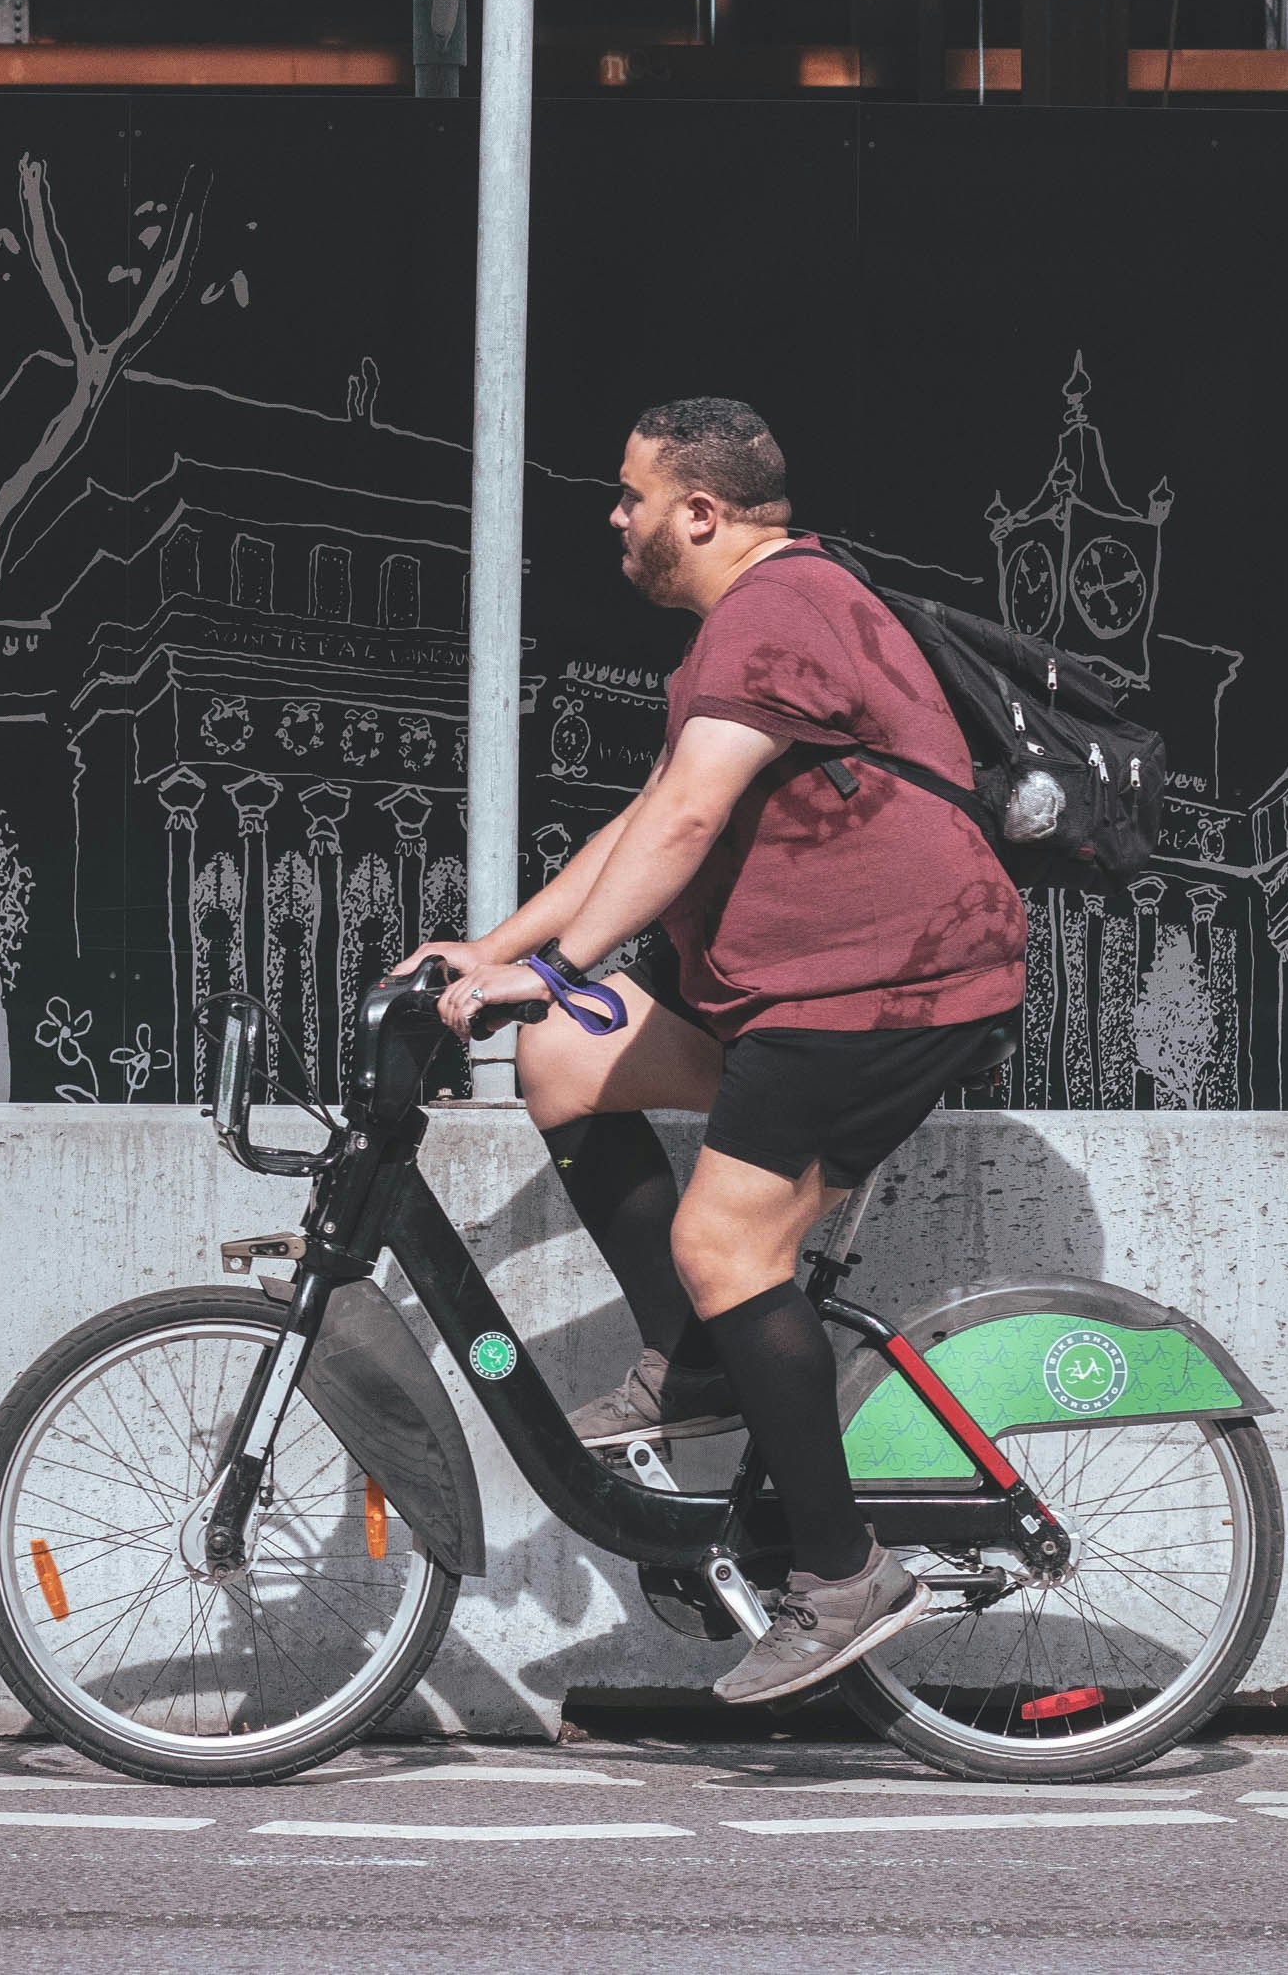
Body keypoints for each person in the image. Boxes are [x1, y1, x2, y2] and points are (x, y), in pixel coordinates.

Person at [405, 399, 1027, 1704]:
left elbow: (686, 818)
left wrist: (553, 969)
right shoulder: (737, 639)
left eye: (630, 496)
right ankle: (693, 1361)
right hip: (780, 993)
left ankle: (843, 1569)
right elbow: (645, 822)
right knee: (566, 1057)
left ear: (700, 511)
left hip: (879, 986)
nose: (614, 517)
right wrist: (490, 955)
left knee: (723, 1241)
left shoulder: (782, 604)